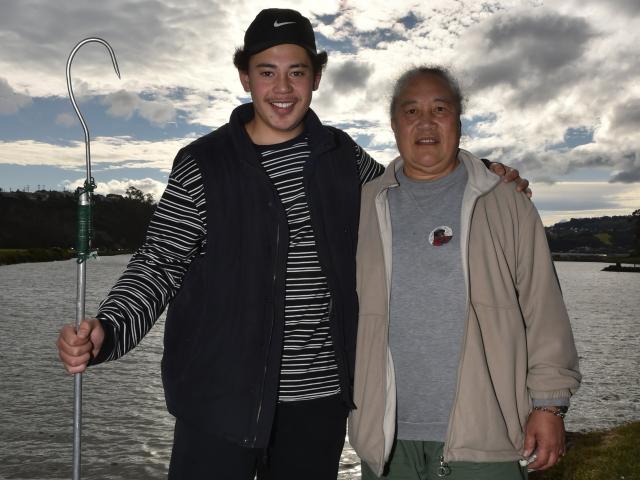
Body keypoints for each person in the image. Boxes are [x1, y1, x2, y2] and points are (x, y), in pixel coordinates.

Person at [57, 10, 529, 480]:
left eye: (296, 72)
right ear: (245, 77)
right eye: (267, 72)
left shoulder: (342, 156)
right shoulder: (202, 163)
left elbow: (408, 189)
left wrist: (478, 171)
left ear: (316, 77)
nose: (282, 89)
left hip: (318, 410)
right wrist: (110, 327)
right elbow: (159, 265)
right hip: (217, 405)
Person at [348, 66, 581, 480]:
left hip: (486, 436)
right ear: (393, 123)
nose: (425, 122)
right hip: (385, 440)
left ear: (459, 121)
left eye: (440, 108)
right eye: (411, 111)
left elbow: (543, 309)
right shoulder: (365, 204)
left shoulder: (505, 200)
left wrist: (548, 406)